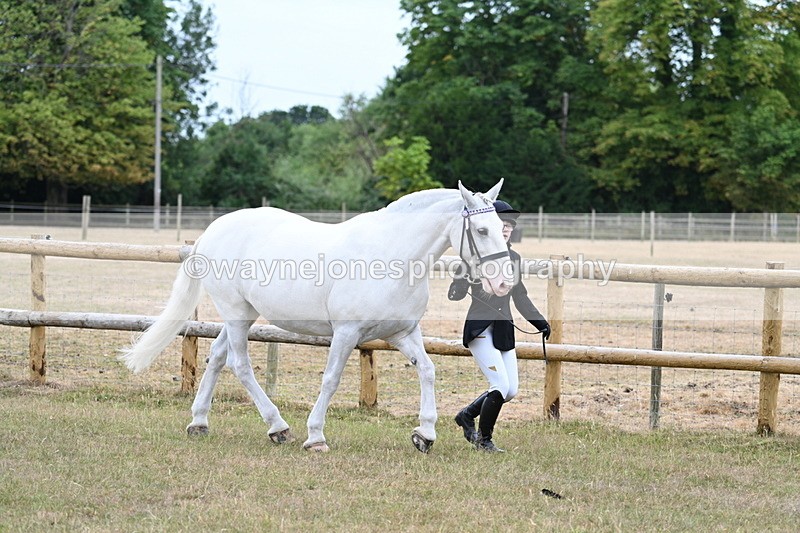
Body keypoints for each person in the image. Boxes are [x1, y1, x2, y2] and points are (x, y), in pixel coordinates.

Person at [448, 200, 550, 453]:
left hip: (504, 329)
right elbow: (454, 295)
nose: (506, 229)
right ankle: (484, 440)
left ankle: (466, 415)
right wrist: (464, 280)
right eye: (503, 224)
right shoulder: (473, 257)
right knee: (500, 386)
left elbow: (520, 296)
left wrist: (539, 322)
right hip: (480, 328)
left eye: (510, 226)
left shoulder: (513, 257)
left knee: (511, 390)